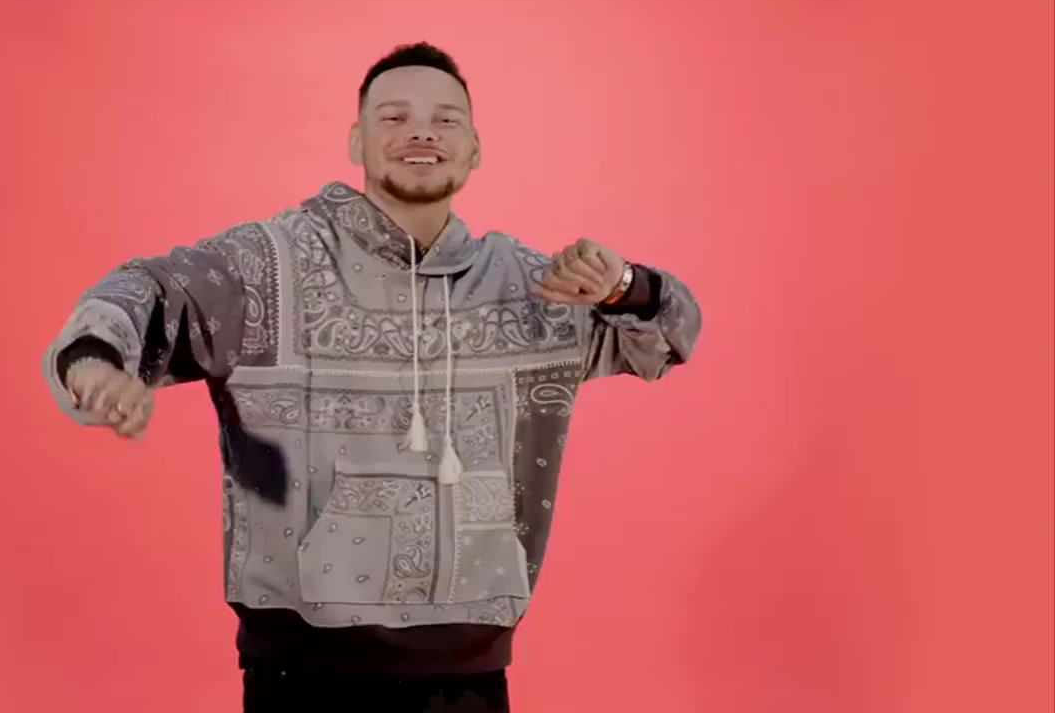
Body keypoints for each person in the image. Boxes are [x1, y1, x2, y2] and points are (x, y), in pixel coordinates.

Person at [42, 42, 701, 713]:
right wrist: (95, 362)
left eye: (445, 119)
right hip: (298, 677)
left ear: (475, 149)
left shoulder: (531, 290)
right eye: (394, 117)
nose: (421, 132)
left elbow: (668, 339)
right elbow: (146, 289)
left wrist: (624, 285)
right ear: (356, 141)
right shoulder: (267, 268)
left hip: (469, 682)